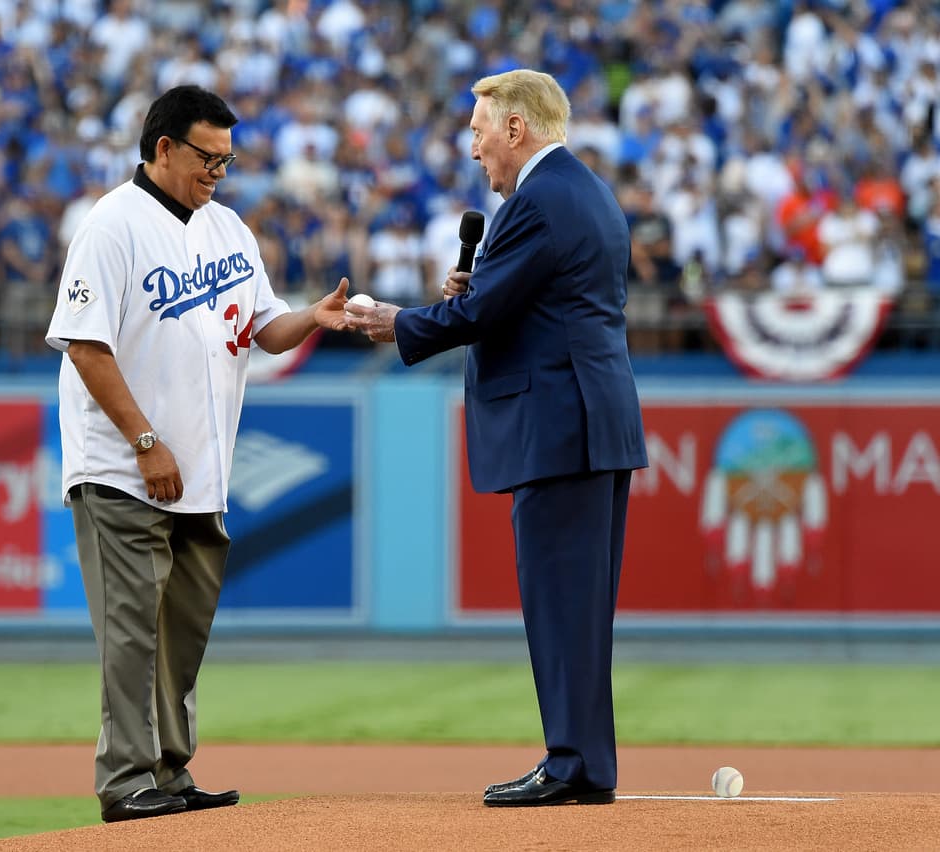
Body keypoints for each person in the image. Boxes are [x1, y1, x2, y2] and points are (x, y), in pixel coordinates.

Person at [44, 85, 352, 824]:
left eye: (228, 158)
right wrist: (144, 441)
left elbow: (264, 326)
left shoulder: (229, 231)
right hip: (123, 469)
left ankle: (171, 772)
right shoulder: (111, 226)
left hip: (201, 475)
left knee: (182, 631)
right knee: (131, 631)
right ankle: (125, 781)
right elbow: (85, 345)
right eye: (208, 157)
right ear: (163, 150)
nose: (219, 170)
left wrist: (311, 317)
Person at [345, 69, 648, 807]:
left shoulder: (539, 202)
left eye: (480, 130)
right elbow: (528, 304)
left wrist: (398, 321)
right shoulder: (584, 190)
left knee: (559, 599)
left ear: (517, 128)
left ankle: (572, 763)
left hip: (562, 426)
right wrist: (474, 298)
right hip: (591, 419)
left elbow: (482, 317)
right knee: (578, 604)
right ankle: (584, 762)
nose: (473, 147)